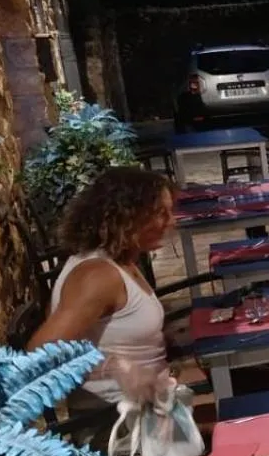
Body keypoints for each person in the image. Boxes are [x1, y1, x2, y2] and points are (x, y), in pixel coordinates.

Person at [31, 167, 176, 408]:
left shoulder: (117, 261)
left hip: (149, 407)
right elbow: (39, 356)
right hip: (118, 423)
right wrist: (112, 367)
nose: (171, 221)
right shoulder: (97, 276)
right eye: (161, 213)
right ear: (127, 216)